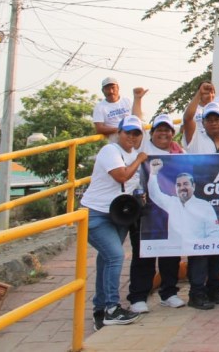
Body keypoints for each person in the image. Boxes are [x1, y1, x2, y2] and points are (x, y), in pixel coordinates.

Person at [80, 116, 147, 330]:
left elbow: (132, 186)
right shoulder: (110, 151)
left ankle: (100, 309)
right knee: (116, 256)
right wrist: (139, 160)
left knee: (106, 260)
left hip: (118, 215)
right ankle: (111, 307)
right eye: (128, 132)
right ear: (119, 132)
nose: (132, 136)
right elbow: (121, 176)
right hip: (96, 214)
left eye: (136, 133)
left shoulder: (134, 154)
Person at [128, 114, 185, 313]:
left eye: (168, 130)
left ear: (173, 133)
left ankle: (169, 293)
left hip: (170, 209)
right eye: (159, 129)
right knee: (143, 254)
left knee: (171, 253)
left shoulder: (179, 152)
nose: (163, 133)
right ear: (150, 133)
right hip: (144, 210)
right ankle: (138, 296)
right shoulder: (142, 150)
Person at [180, 98, 219, 310]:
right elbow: (187, 118)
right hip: (199, 203)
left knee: (217, 249)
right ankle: (196, 292)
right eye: (208, 119)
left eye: (216, 118)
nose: (213, 122)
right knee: (200, 249)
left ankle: (214, 287)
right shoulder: (196, 139)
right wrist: (198, 96)